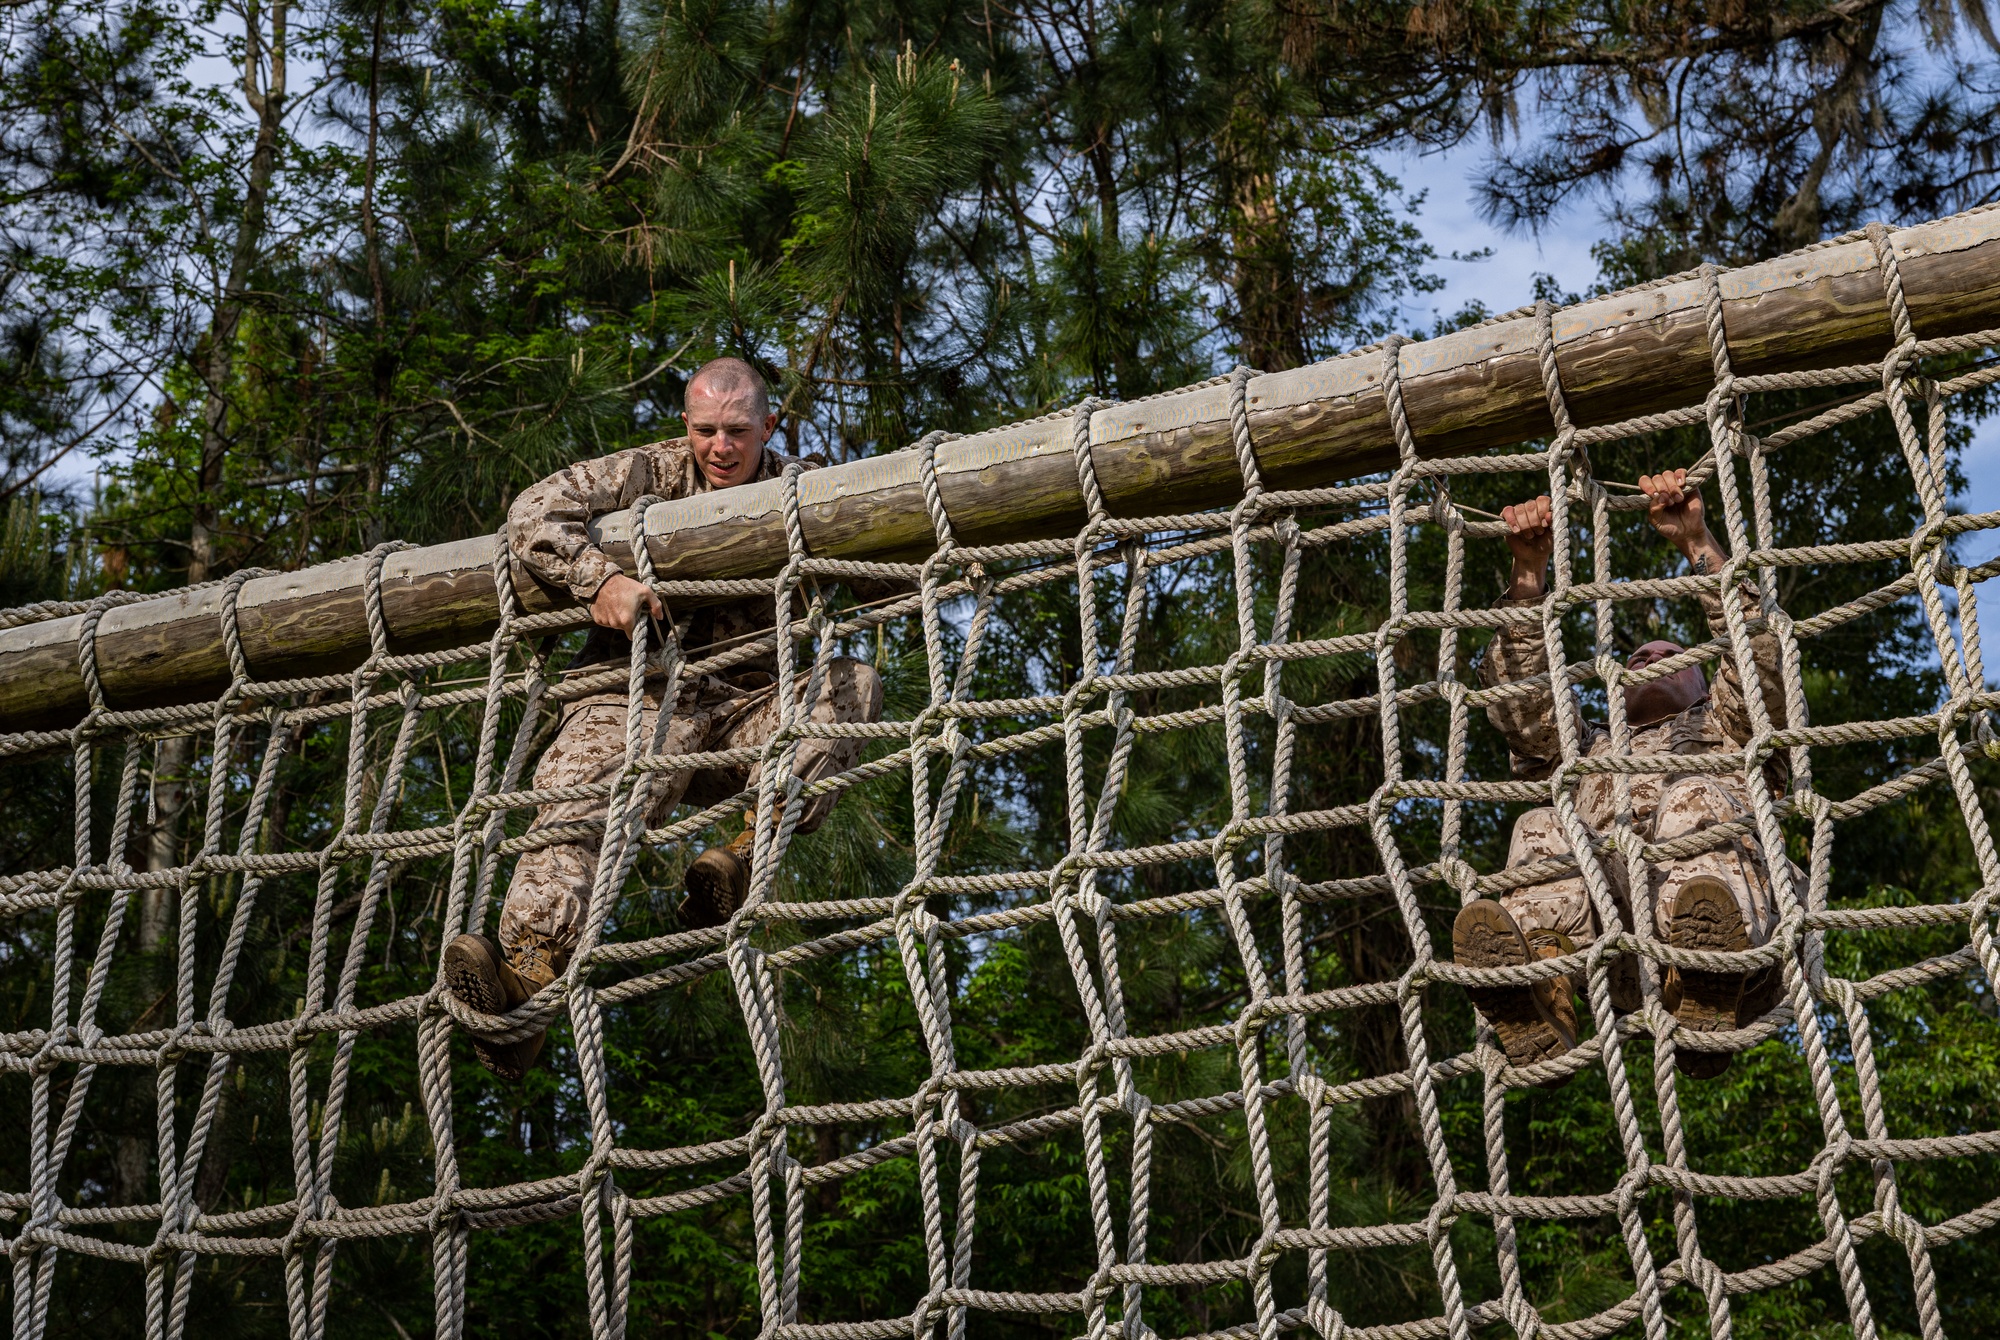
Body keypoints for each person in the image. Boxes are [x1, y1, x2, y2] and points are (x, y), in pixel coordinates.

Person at [442, 357, 885, 1080]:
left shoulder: (800, 485)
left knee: (850, 684)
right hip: (639, 696)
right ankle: (525, 987)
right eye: (706, 430)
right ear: (686, 426)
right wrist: (601, 577)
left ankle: (742, 856)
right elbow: (532, 511)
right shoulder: (646, 473)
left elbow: (878, 538)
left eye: (738, 431)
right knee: (579, 800)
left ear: (768, 427)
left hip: (745, 707)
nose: (721, 447)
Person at [1453, 469, 1792, 1080]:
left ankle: (1704, 982)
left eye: (1669, 656)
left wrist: (1698, 542)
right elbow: (1520, 708)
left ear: (1700, 679)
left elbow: (1760, 657)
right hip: (1607, 953)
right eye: (1638, 657)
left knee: (1691, 797)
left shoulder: (1730, 730)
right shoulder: (1588, 752)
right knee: (1541, 823)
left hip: (1742, 940)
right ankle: (1540, 994)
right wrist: (1528, 577)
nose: (1648, 659)